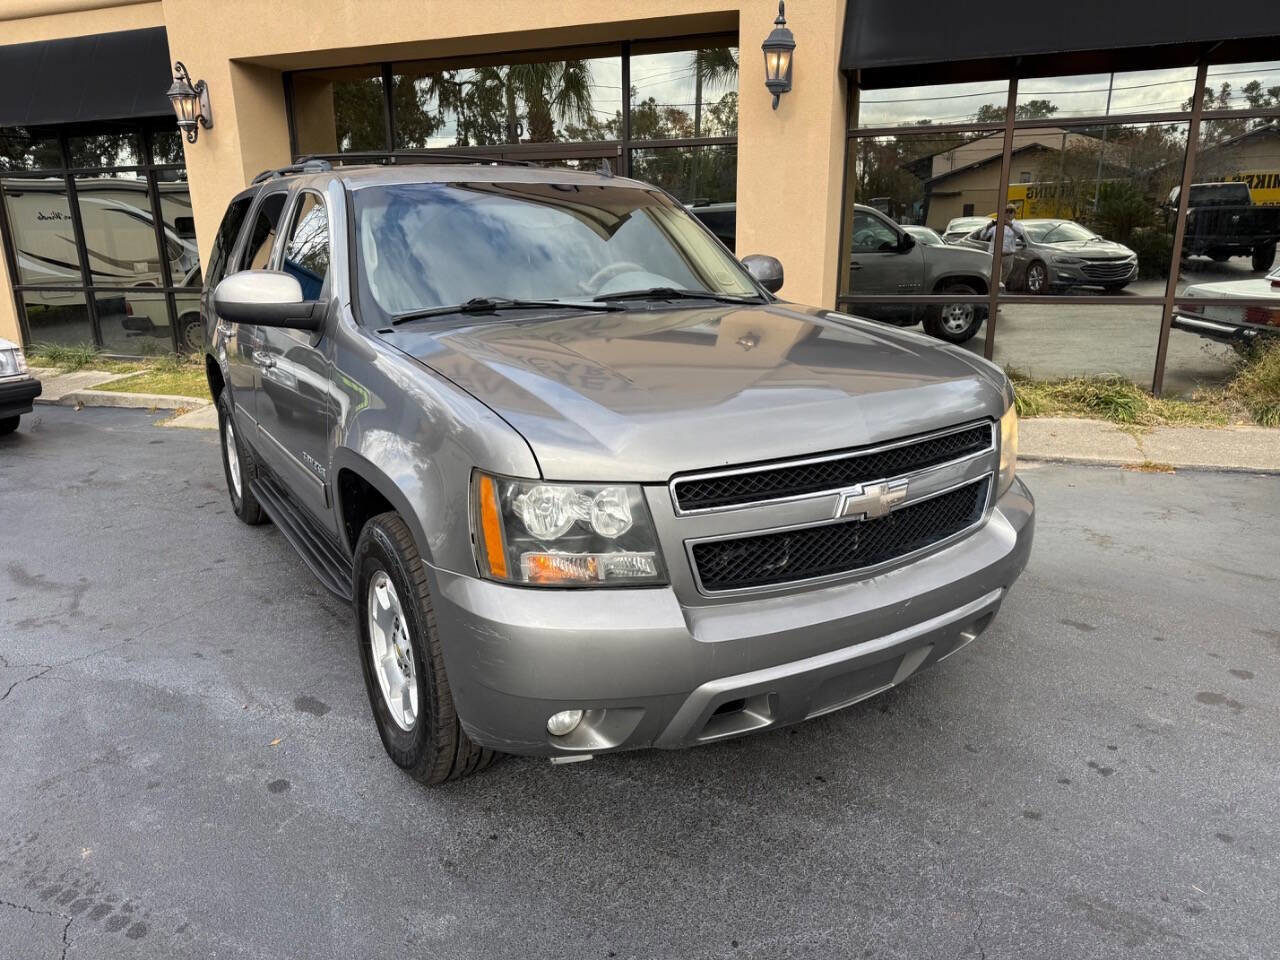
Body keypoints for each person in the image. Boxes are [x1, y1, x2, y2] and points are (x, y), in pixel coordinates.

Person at [981, 204, 1028, 287]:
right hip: (995, 256)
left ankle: (999, 296)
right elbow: (983, 236)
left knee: (1003, 280)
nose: (1008, 213)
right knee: (995, 279)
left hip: (1008, 257)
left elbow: (1019, 232)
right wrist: (988, 227)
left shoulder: (1016, 225)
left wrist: (1009, 224)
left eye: (1011, 212)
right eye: (1006, 211)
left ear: (1014, 214)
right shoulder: (996, 224)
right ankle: (992, 295)